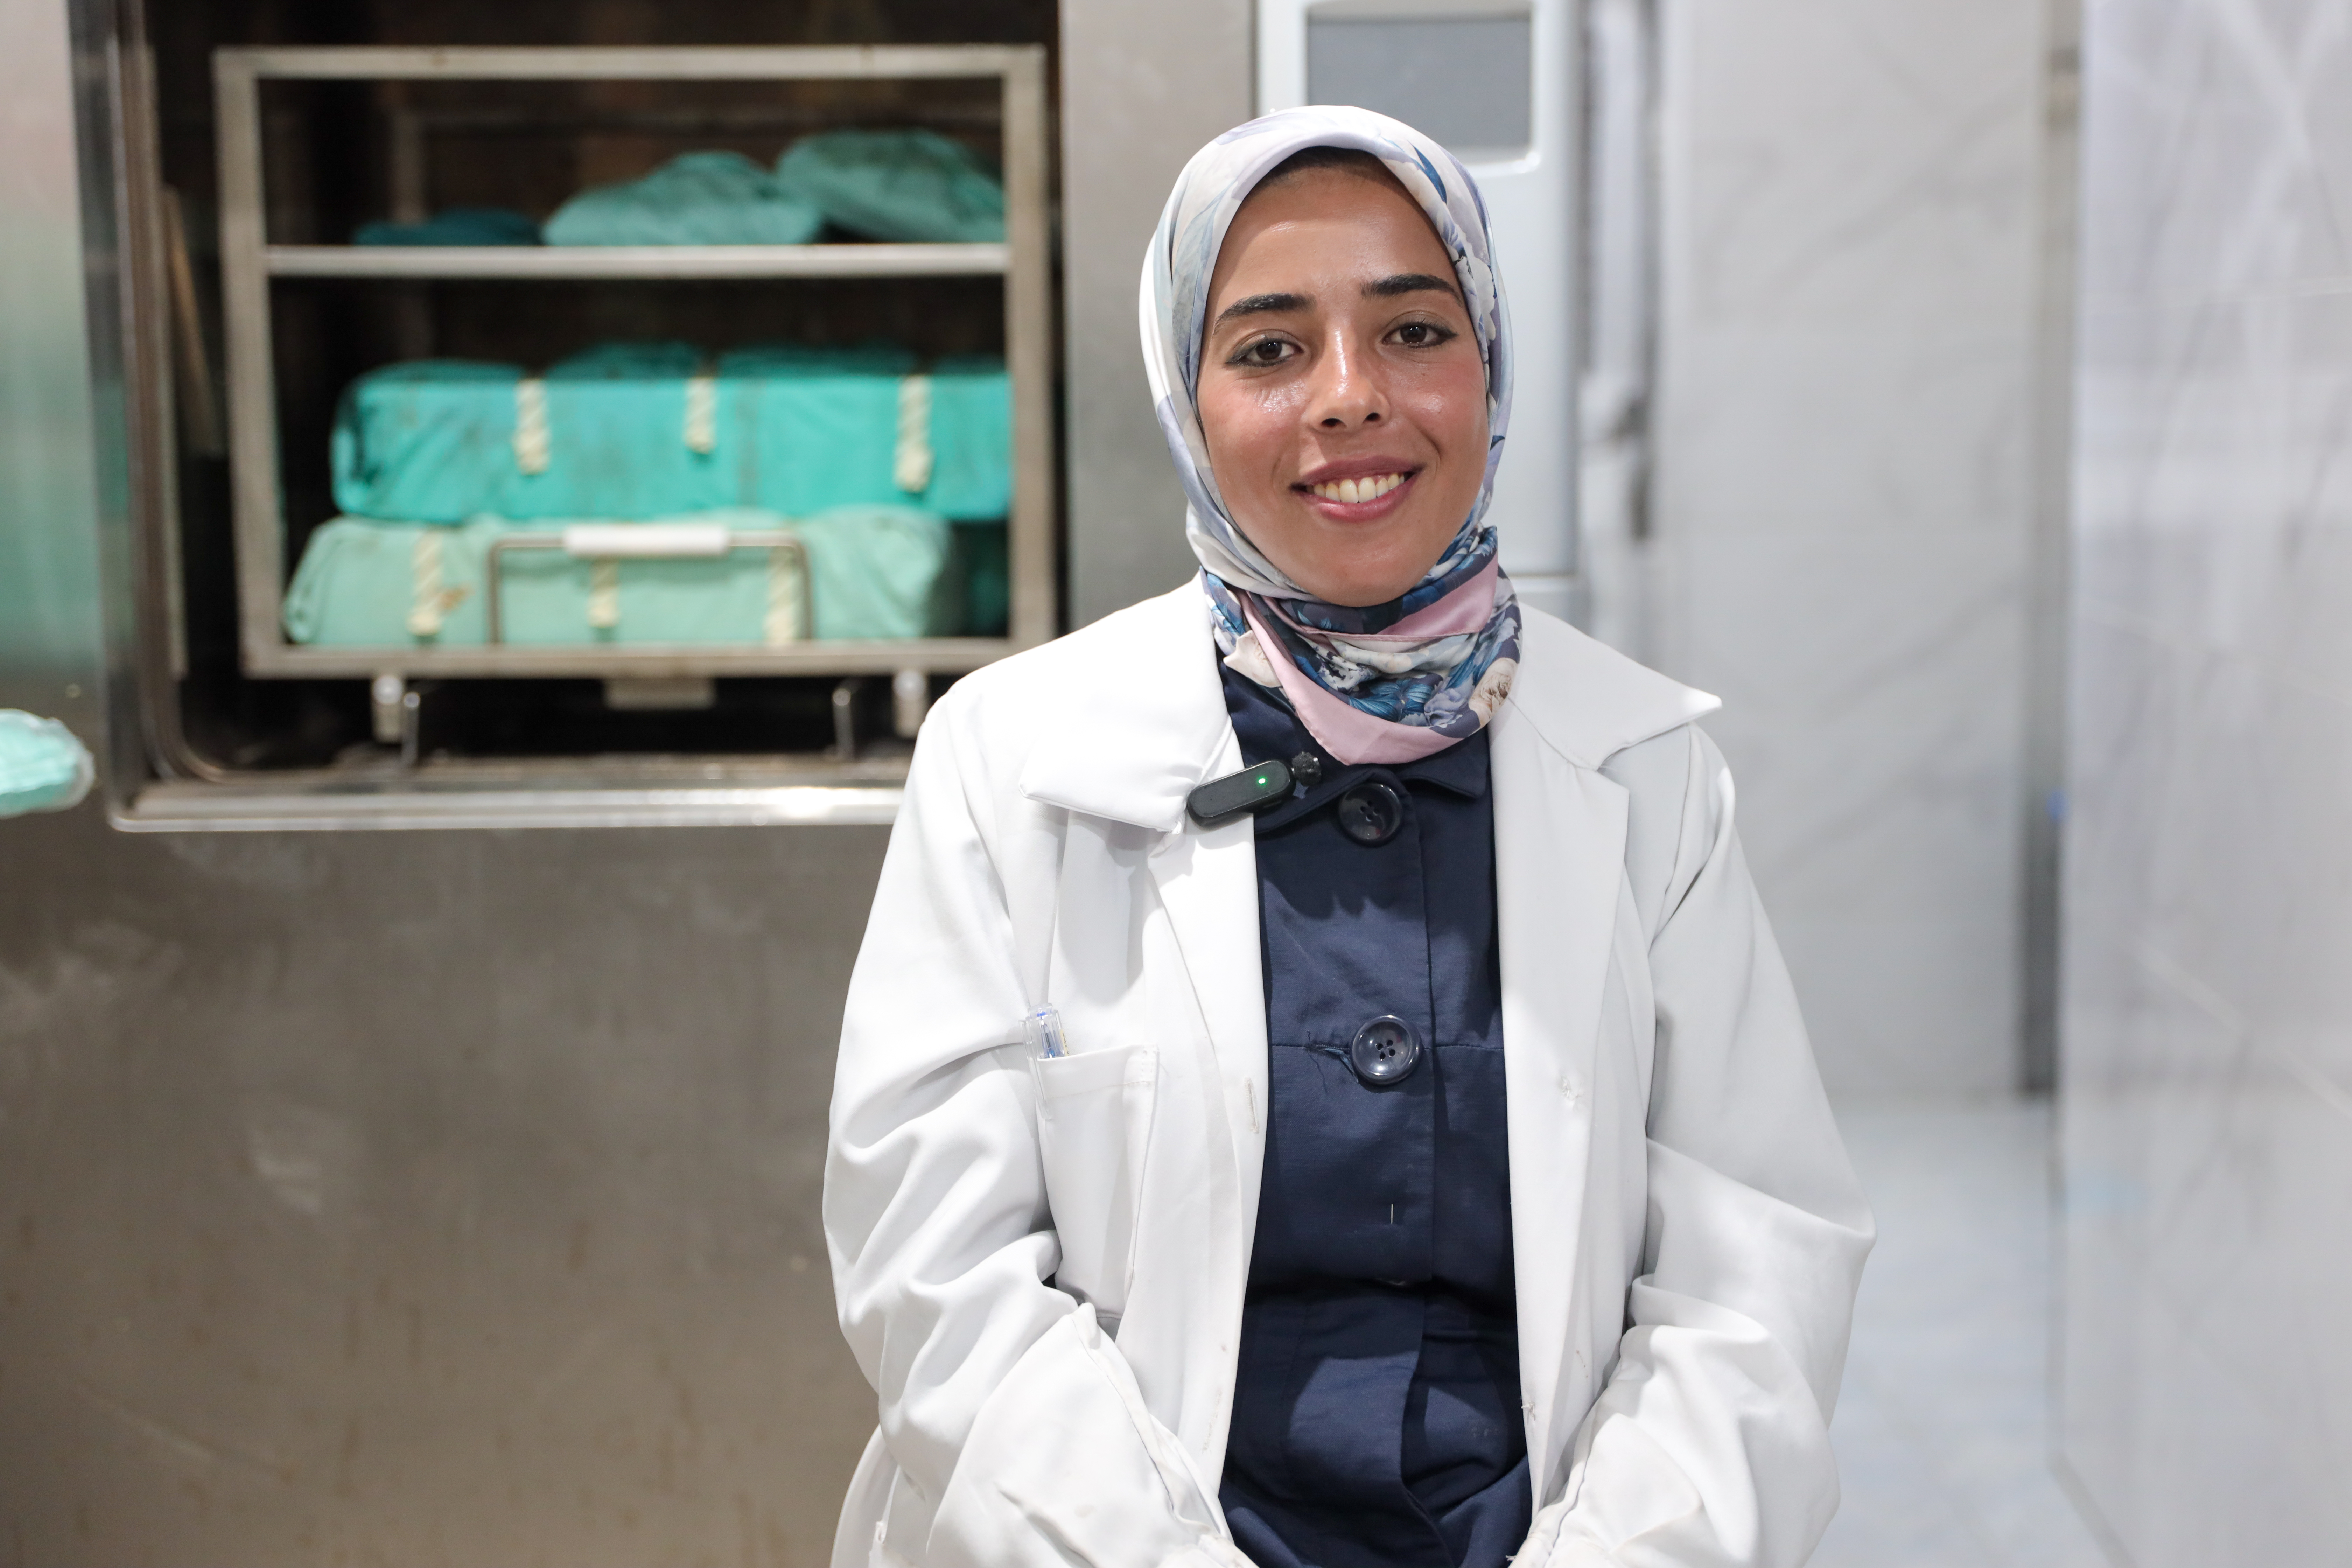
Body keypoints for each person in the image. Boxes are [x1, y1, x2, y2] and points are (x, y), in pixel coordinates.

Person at [825, 106, 1873, 1568]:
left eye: (1413, 331)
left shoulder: (1646, 774)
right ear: (1188, 400)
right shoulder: (1013, 760)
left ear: (1489, 364)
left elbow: (1749, 1278)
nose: (1347, 397)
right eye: (1267, 347)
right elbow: (938, 1281)